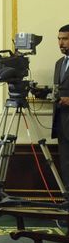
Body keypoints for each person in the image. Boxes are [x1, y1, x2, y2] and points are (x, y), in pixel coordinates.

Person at [53, 25, 69, 181]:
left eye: (65, 39)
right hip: (61, 124)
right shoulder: (59, 63)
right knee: (65, 164)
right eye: (59, 39)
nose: (60, 43)